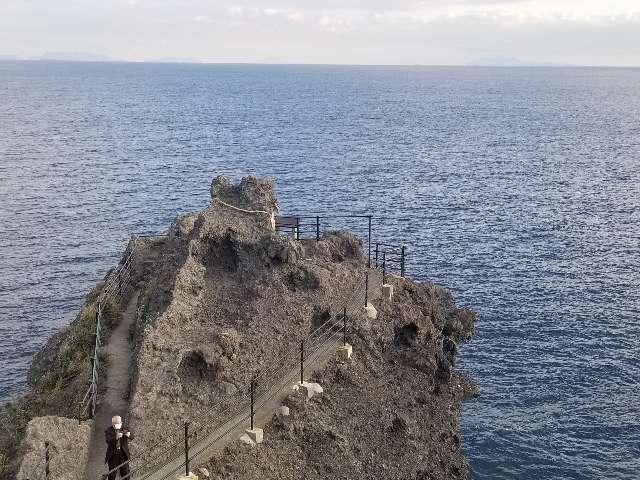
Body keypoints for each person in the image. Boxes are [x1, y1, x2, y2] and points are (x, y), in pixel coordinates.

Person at [105, 415, 134, 480]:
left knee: (125, 472)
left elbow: (132, 436)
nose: (118, 425)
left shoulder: (125, 428)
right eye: (116, 424)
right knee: (112, 474)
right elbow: (108, 441)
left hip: (123, 454)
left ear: (121, 422)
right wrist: (116, 437)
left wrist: (128, 435)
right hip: (113, 455)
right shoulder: (108, 430)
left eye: (119, 423)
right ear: (113, 424)